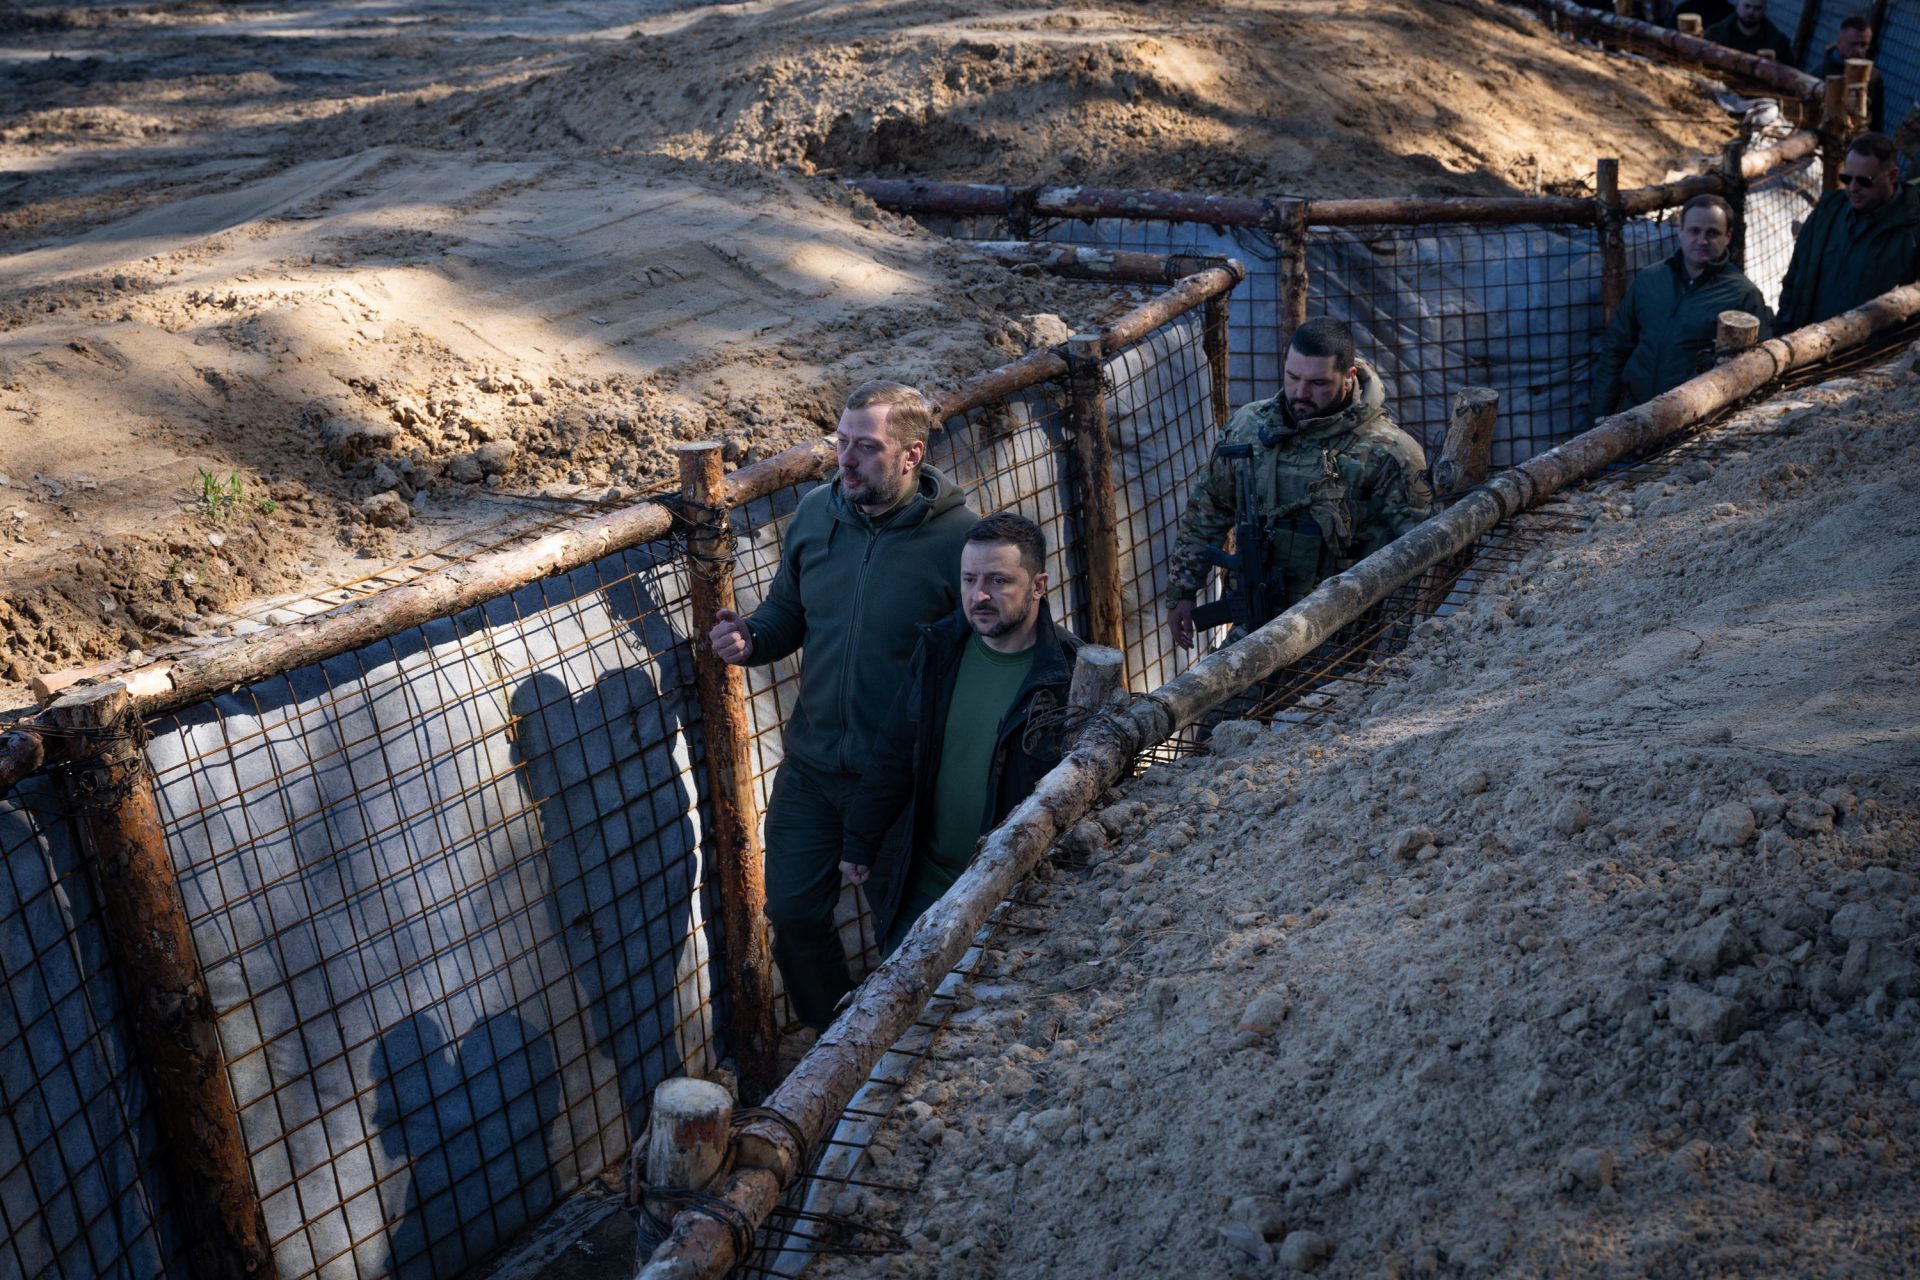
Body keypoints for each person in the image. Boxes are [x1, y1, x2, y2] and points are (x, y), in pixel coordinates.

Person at [707, 379, 976, 1029]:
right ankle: (836, 1052)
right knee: (794, 915)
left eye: (866, 448)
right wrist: (751, 637)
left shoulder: (960, 543)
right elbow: (786, 615)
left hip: (903, 784)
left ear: (911, 456)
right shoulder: (813, 517)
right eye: (841, 444)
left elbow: (982, 661)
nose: (845, 461)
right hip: (813, 770)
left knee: (906, 928)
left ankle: (903, 1054)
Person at [838, 513, 1081, 954]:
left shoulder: (1069, 675)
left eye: (999, 581)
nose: (979, 595)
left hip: (1011, 897)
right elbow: (895, 749)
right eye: (969, 579)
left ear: (1039, 585)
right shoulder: (939, 650)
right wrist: (861, 837)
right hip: (926, 885)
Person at [1164, 317, 1432, 650]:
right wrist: (1182, 591)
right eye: (1292, 377)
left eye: (1318, 383)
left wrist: (1391, 648)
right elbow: (1208, 509)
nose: (1300, 393)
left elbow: (1419, 557)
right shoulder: (1248, 428)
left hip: (1343, 640)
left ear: (1349, 378)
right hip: (1255, 628)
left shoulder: (1390, 453)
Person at [1592, 194, 1772, 416]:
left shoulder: (1743, 294)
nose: (1702, 240)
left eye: (1713, 233)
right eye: (1694, 231)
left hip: (1694, 422)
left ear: (1728, 236)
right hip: (1635, 412)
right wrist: (1600, 414)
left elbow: (1755, 368)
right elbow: (1616, 349)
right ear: (1681, 231)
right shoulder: (1650, 280)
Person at [1776, 132, 1920, 331]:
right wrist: (1783, 331)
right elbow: (1793, 280)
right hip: (1809, 347)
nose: (1853, 188)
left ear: (1892, 176)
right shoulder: (1826, 213)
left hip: (1875, 357)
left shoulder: (1912, 230)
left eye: (1864, 181)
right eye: (1846, 178)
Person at [1809, 15, 1884, 133]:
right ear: (1839, 43)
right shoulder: (1821, 74)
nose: (1859, 50)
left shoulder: (1874, 77)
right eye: (1854, 44)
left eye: (1864, 45)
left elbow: (1876, 121)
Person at [1704, 0, 1791, 57]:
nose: (1751, 12)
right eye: (1747, 6)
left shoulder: (1778, 45)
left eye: (1757, 8)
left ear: (1764, 10)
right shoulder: (1714, 34)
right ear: (1738, 6)